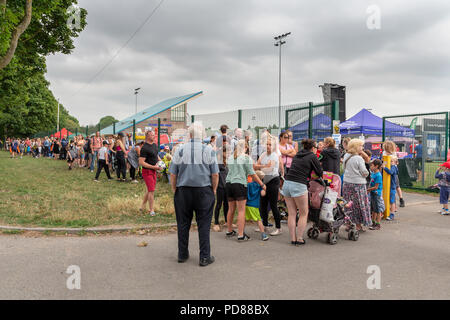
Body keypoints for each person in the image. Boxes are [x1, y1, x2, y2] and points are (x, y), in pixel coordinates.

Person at [169, 122, 219, 266]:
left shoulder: (180, 150)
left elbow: (173, 173)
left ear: (189, 135)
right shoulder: (208, 150)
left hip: (183, 190)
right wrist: (214, 189)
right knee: (203, 224)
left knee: (183, 223)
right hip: (204, 190)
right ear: (202, 135)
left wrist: (175, 189)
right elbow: (215, 174)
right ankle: (204, 257)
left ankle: (182, 254)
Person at [281, 139, 323, 245]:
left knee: (291, 213)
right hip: (299, 184)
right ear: (313, 148)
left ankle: (293, 238)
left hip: (287, 183)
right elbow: (319, 172)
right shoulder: (312, 156)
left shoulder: (297, 154)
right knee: (304, 213)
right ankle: (299, 238)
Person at [225, 139, 266, 241]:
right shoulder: (246, 158)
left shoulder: (230, 158)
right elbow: (252, 173)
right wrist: (262, 184)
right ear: (246, 148)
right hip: (239, 184)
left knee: (231, 209)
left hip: (229, 184)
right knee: (241, 211)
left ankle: (229, 230)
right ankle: (240, 234)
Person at [254, 135, 283, 236]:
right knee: (263, 205)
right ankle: (265, 225)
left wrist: (261, 167)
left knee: (274, 205)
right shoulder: (263, 154)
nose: (268, 146)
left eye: (270, 144)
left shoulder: (274, 155)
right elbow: (255, 166)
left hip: (273, 181)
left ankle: (278, 228)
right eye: (267, 144)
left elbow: (269, 169)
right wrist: (263, 166)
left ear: (274, 146)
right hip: (264, 182)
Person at [342, 139, 371, 232]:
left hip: (347, 183)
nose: (362, 148)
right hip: (358, 184)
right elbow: (364, 172)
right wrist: (367, 173)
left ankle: (348, 224)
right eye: (361, 146)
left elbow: (343, 168)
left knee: (349, 204)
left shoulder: (346, 156)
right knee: (359, 205)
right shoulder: (358, 158)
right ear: (356, 147)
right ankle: (358, 226)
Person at [139, 130, 161, 216]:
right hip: (147, 171)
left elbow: (156, 156)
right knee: (151, 190)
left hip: (154, 170)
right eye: (152, 135)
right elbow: (141, 162)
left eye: (154, 135)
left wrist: (161, 162)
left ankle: (142, 206)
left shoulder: (155, 145)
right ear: (147, 136)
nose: (154, 136)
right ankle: (151, 210)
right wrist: (153, 167)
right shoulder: (144, 148)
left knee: (150, 190)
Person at [246, 170, 269, 241]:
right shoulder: (260, 186)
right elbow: (263, 194)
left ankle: (241, 232)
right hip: (255, 205)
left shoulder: (249, 184)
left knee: (244, 219)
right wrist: (264, 190)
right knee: (259, 220)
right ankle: (263, 234)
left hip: (247, 204)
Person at [382, 140, 405, 207]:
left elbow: (396, 162)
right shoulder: (384, 153)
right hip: (386, 172)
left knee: (397, 186)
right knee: (387, 186)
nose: (387, 150)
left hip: (393, 173)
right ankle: (389, 202)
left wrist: (393, 161)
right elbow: (384, 161)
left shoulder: (393, 153)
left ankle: (401, 199)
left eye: (388, 148)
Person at [213, 148, 229, 232]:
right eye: (226, 151)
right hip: (220, 187)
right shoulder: (218, 163)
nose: (228, 153)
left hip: (227, 187)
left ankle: (227, 221)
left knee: (226, 204)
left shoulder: (226, 163)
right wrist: (215, 187)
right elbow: (215, 175)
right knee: (218, 204)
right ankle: (216, 223)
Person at [368, 159, 385, 230]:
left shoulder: (378, 175)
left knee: (378, 210)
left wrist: (368, 190)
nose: (370, 167)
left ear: (376, 166)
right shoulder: (373, 173)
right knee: (374, 209)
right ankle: (373, 222)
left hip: (376, 194)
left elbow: (376, 187)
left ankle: (378, 224)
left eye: (371, 165)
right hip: (372, 193)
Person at [383, 156, 399, 220]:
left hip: (392, 186)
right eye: (390, 161)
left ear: (395, 162)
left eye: (391, 161)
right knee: (388, 200)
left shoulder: (393, 167)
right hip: (390, 186)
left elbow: (390, 172)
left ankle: (391, 214)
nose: (390, 162)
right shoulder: (392, 167)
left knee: (392, 201)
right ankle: (387, 212)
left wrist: (385, 168)